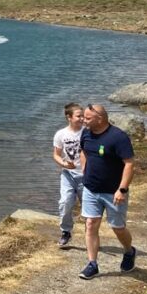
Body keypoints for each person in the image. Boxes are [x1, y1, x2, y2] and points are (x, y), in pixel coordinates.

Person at [78, 103, 136, 279]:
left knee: (117, 227)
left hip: (113, 192)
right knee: (90, 224)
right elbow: (84, 151)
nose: (83, 121)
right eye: (83, 117)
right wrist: (84, 170)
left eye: (87, 118)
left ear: (100, 119)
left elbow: (129, 163)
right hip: (91, 188)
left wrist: (122, 189)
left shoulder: (118, 137)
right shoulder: (86, 133)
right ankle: (92, 264)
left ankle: (129, 251)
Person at [52, 102, 84, 247]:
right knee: (65, 202)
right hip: (68, 175)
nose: (82, 118)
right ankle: (66, 232)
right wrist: (64, 164)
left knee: (89, 209)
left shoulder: (88, 132)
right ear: (69, 117)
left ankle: (91, 235)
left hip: (86, 176)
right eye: (79, 116)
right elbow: (56, 155)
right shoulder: (61, 134)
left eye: (83, 115)